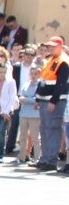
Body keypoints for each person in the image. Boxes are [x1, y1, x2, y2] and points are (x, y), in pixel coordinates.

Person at [34, 37, 69, 170]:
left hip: (54, 101)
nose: (51, 48)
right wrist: (37, 98)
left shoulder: (63, 61)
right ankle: (45, 158)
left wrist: (53, 101)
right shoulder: (50, 60)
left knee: (53, 129)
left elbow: (61, 84)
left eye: (54, 46)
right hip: (44, 100)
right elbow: (42, 80)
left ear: (61, 46)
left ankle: (51, 160)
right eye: (50, 46)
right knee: (44, 129)